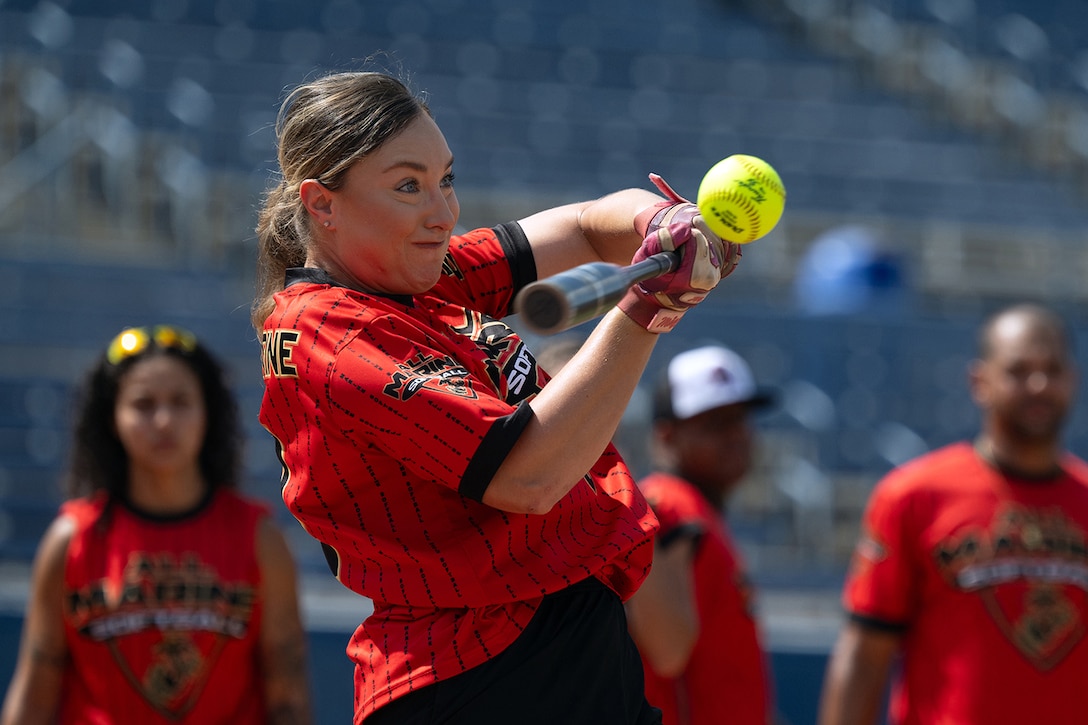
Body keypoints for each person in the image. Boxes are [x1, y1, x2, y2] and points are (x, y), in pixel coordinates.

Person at [251, 68, 742, 724]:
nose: (443, 211)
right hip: (475, 676)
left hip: (558, 650)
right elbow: (527, 473)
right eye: (408, 186)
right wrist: (648, 306)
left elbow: (589, 228)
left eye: (445, 179)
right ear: (323, 205)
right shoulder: (327, 325)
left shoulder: (411, 279)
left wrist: (663, 221)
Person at [1, 325, 312, 725]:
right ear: (112, 418)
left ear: (208, 414)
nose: (164, 421)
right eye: (143, 404)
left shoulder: (260, 539)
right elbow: (34, 694)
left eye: (181, 401)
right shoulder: (70, 540)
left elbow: (288, 697)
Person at [818, 302, 1088, 725]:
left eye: (1052, 370)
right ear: (980, 381)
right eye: (1019, 370)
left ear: (1072, 380)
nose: (1039, 384)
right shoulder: (915, 495)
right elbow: (865, 653)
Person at [625, 344, 777, 725]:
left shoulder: (697, 510)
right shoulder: (667, 505)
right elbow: (668, 651)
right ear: (667, 436)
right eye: (714, 423)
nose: (735, 436)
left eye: (740, 419)